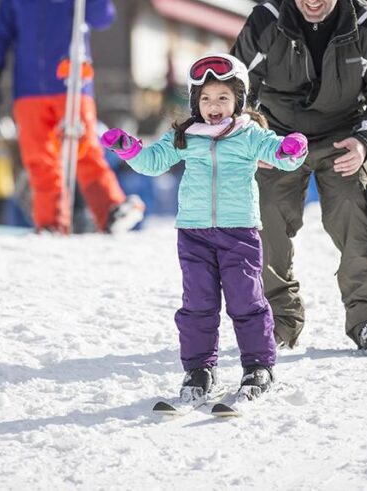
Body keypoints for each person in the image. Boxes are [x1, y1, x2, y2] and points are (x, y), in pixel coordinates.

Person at [230, 0, 367, 354]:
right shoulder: (265, 21)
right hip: (276, 138)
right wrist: (255, 141)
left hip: (344, 136)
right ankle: (275, 320)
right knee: (263, 213)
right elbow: (237, 90)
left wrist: (365, 143)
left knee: (356, 208)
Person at [102, 53, 308, 399]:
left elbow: (278, 155)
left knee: (246, 301)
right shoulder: (186, 134)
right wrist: (130, 149)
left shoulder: (248, 134)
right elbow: (154, 162)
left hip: (239, 232)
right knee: (197, 304)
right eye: (206, 98)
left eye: (223, 98)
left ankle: (258, 366)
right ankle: (199, 369)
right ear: (196, 101)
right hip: (193, 234)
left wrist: (292, 149)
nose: (214, 105)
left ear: (239, 100)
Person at [0, 0, 143, 234]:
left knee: (84, 150)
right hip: (28, 91)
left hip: (70, 84)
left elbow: (102, 17)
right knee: (40, 161)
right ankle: (51, 223)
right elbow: (0, 36)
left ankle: (110, 210)